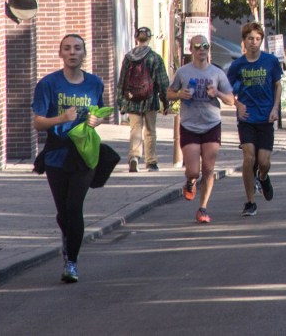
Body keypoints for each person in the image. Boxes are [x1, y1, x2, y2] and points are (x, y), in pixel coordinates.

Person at [32, 34, 107, 283]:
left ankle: (71, 262)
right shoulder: (48, 84)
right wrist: (61, 119)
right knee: (64, 212)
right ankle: (68, 236)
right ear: (60, 53)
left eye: (77, 48)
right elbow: (38, 122)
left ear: (84, 53)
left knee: (75, 208)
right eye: (67, 48)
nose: (72, 52)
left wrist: (97, 120)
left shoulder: (95, 83)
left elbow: (101, 111)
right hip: (56, 154)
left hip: (84, 153)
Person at [168, 36, 235, 224]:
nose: (202, 49)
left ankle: (203, 208)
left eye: (205, 46)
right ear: (191, 49)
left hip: (212, 124)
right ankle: (190, 182)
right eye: (197, 46)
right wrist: (180, 94)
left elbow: (231, 100)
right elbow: (169, 93)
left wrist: (217, 93)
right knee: (193, 170)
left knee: (208, 168)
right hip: (189, 124)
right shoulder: (183, 72)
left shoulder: (217, 73)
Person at [226, 21, 283, 218]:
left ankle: (263, 176)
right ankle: (250, 202)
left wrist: (275, 108)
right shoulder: (237, 65)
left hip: (266, 117)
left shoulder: (270, 61)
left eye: (258, 39)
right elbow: (227, 90)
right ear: (244, 41)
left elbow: (278, 85)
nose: (254, 42)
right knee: (249, 158)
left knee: (263, 162)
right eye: (250, 39)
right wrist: (236, 103)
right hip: (247, 118)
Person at [117, 26, 169, 172]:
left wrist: (120, 101)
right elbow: (162, 82)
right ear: (149, 38)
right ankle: (151, 162)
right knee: (150, 131)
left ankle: (134, 156)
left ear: (136, 38)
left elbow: (122, 81)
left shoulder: (128, 58)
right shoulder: (155, 58)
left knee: (135, 129)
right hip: (150, 100)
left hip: (132, 100)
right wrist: (166, 102)